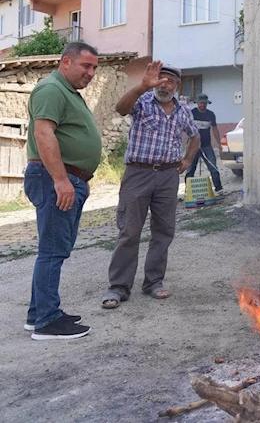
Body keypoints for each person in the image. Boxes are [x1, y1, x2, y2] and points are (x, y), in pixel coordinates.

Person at [101, 61, 200, 309]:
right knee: (129, 231)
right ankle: (119, 287)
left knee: (164, 231)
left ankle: (154, 282)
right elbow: (120, 108)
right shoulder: (142, 102)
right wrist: (141, 86)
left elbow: (195, 135)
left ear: (177, 86)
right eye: (161, 79)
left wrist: (187, 159)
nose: (164, 84)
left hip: (168, 177)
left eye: (170, 81)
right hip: (138, 173)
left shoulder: (183, 111)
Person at [24, 42, 102, 340]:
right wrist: (60, 180)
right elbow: (43, 133)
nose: (91, 73)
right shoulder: (51, 89)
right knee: (53, 251)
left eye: (94, 67)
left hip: (67, 178)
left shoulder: (67, 92)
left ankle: (38, 314)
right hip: (55, 178)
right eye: (86, 66)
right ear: (66, 62)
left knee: (55, 249)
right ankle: (47, 321)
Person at [184, 93, 223, 194]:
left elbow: (215, 129)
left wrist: (219, 144)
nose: (202, 105)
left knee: (213, 167)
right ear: (197, 103)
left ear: (207, 104)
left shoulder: (211, 114)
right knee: (190, 168)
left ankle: (219, 189)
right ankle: (188, 191)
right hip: (193, 146)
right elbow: (185, 127)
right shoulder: (192, 113)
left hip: (206, 145)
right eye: (201, 103)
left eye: (204, 103)